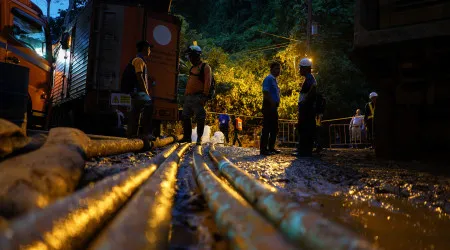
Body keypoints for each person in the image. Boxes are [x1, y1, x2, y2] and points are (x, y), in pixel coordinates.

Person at [179, 45, 212, 145]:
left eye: (191, 56)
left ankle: (199, 138)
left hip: (198, 97)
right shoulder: (192, 68)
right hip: (188, 97)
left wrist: (205, 96)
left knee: (200, 117)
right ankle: (187, 137)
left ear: (196, 56)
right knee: (185, 116)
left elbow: (208, 82)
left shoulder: (205, 67)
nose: (190, 59)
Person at [122, 40, 154, 140]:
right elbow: (139, 76)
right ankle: (146, 134)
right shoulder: (139, 60)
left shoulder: (139, 60)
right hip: (137, 91)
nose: (150, 51)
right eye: (149, 49)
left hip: (134, 91)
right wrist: (146, 92)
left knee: (135, 112)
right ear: (145, 48)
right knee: (149, 105)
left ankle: (132, 135)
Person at [293, 58, 317, 157]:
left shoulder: (310, 79)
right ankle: (305, 150)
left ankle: (304, 151)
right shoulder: (309, 78)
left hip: (306, 109)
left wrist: (304, 102)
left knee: (304, 128)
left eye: (301, 68)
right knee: (305, 128)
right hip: (307, 108)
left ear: (305, 69)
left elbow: (312, 90)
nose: (299, 70)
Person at [260, 61, 281, 156]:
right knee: (267, 128)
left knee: (274, 128)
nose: (278, 70)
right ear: (271, 69)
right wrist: (272, 103)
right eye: (276, 68)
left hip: (273, 106)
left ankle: (271, 148)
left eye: (279, 68)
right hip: (269, 106)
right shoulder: (268, 79)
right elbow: (265, 92)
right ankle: (263, 149)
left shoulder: (274, 80)